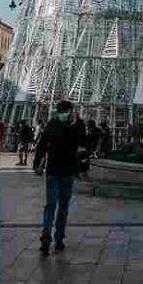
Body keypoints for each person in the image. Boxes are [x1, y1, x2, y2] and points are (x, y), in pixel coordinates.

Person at [34, 100, 83, 255]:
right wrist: (37, 164)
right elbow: (42, 144)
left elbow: (82, 142)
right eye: (60, 111)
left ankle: (59, 236)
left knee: (62, 206)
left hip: (67, 172)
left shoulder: (76, 125)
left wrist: (77, 123)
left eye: (65, 111)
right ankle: (46, 238)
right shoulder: (53, 124)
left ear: (70, 111)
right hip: (53, 171)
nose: (62, 114)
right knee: (51, 205)